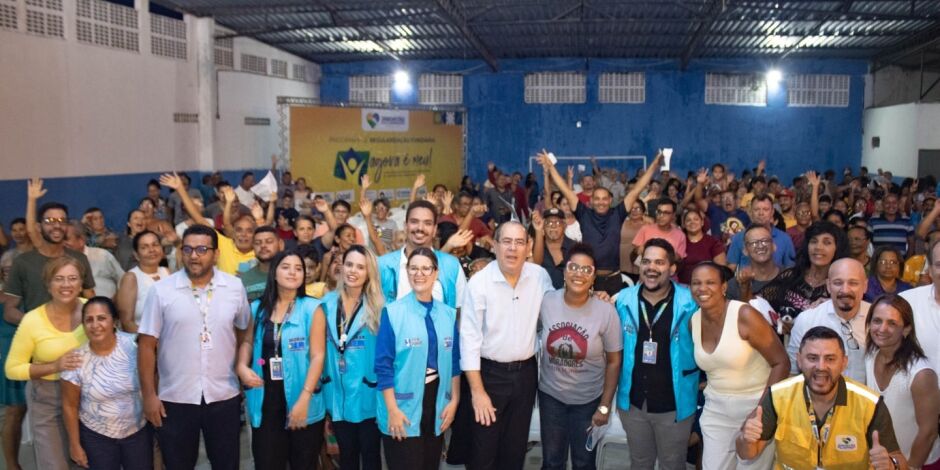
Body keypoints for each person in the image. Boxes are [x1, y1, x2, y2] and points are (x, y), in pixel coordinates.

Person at [138, 224, 251, 470]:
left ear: (216, 254)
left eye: (202, 249)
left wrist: (242, 366)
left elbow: (244, 330)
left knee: (227, 464)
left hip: (224, 395)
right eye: (187, 249)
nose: (194, 256)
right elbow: (146, 346)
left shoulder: (234, 288)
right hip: (175, 399)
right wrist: (149, 395)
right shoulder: (161, 291)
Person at [736, 326, 906, 470]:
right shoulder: (777, 395)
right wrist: (746, 439)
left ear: (844, 363)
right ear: (799, 360)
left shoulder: (870, 404)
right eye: (812, 358)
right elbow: (747, 453)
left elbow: (900, 460)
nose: (821, 367)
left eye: (830, 359)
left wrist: (892, 464)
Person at [461, 221, 554, 469]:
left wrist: (592, 296)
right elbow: (468, 341)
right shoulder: (479, 284)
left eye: (519, 242)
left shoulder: (539, 277)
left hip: (525, 375)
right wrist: (477, 392)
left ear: (528, 247)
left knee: (515, 449)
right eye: (507, 241)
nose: (513, 249)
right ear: (495, 245)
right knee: (483, 450)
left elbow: (558, 309)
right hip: (489, 376)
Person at [690, 262, 789, 470]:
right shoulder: (694, 321)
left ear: (724, 287)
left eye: (710, 282)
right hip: (715, 411)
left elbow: (781, 362)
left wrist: (762, 411)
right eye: (696, 283)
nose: (702, 288)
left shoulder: (744, 315)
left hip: (756, 408)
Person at [613, 238, 700, 470]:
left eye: (660, 262)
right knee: (640, 462)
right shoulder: (622, 300)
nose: (652, 268)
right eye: (647, 261)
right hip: (633, 404)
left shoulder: (691, 302)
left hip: (675, 404)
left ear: (672, 268)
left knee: (672, 464)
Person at [236, 250, 327, 469]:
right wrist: (240, 366)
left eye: (298, 268)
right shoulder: (257, 308)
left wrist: (304, 399)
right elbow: (247, 342)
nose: (293, 272)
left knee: (303, 463)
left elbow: (318, 356)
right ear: (274, 273)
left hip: (301, 398)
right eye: (286, 267)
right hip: (265, 400)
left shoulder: (312, 308)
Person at [537, 243, 623, 470]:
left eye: (587, 270)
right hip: (551, 398)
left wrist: (604, 407)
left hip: (588, 401)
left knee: (584, 462)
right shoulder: (546, 302)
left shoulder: (606, 311)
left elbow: (614, 362)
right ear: (564, 271)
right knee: (552, 461)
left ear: (594, 277)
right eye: (574, 267)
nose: (579, 273)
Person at [375, 247, 461, 470]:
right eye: (413, 268)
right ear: (407, 272)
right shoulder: (393, 313)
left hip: (436, 406)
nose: (419, 274)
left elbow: (454, 360)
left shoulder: (448, 313)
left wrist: (454, 401)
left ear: (436, 273)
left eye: (425, 268)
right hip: (402, 405)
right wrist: (392, 410)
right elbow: (383, 366)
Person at [539, 149, 663, 295]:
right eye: (597, 199)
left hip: (614, 279)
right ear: (591, 201)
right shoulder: (584, 214)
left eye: (604, 199)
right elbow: (565, 189)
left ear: (610, 200)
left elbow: (637, 189)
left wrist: (655, 164)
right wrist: (551, 167)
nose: (601, 202)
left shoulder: (618, 213)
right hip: (590, 278)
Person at [4, 256, 89, 470]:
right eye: (58, 279)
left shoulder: (94, 311)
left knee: (88, 461)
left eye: (72, 278)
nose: (66, 284)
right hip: (48, 399)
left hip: (90, 398)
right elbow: (13, 369)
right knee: (55, 464)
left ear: (81, 283)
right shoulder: (32, 320)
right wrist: (54, 366)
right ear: (48, 284)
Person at [61, 297, 151, 470]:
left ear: (114, 321)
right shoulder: (75, 360)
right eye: (89, 320)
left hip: (137, 432)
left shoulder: (135, 346)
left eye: (101, 318)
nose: (95, 325)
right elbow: (69, 406)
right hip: (97, 437)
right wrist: (75, 445)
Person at [319, 245, 385, 470]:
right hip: (337, 394)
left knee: (371, 455)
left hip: (368, 394)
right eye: (349, 264)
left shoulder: (380, 308)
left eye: (360, 266)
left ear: (369, 273)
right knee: (346, 456)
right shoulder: (325, 304)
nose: (353, 271)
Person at [865, 294, 940, 469]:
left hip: (919, 463)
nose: (882, 328)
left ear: (906, 329)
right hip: (883, 462)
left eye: (892, 323)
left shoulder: (921, 374)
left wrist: (911, 467)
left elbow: (928, 432)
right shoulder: (870, 356)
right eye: (877, 321)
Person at [787, 258, 870, 383]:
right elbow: (793, 372)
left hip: (866, 399)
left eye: (853, 283)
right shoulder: (807, 320)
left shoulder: (877, 319)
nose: (845, 290)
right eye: (838, 283)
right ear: (828, 286)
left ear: (865, 286)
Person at [755, 221, 848, 332]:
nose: (818, 247)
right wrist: (777, 322)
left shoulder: (841, 286)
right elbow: (758, 302)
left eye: (827, 242)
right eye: (813, 241)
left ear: (837, 248)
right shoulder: (791, 276)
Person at [377, 200, 467, 309]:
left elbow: (461, 311)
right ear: (405, 227)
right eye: (414, 222)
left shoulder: (451, 265)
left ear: (434, 230)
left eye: (427, 223)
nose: (420, 228)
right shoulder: (383, 265)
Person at [115, 231, 169, 333]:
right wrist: (152, 341)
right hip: (144, 341)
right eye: (145, 247)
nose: (152, 250)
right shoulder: (131, 277)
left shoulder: (166, 272)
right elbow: (127, 323)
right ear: (136, 255)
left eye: (155, 245)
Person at [726, 194, 796, 271]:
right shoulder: (738, 238)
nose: (761, 213)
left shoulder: (784, 238)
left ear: (772, 212)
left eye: (765, 209)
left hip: (777, 282)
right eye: (756, 209)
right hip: (746, 282)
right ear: (750, 212)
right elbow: (731, 269)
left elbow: (790, 269)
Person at [64, 220, 124, 298]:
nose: (62, 243)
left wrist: (117, 301)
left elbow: (124, 279)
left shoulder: (102, 256)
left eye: (66, 238)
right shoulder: (58, 262)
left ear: (81, 240)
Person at [726, 225, 780, 302]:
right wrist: (745, 288)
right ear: (745, 251)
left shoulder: (791, 277)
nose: (760, 246)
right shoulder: (733, 286)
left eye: (765, 241)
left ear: (774, 246)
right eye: (753, 243)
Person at [677, 209, 724, 284]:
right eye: (688, 220)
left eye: (696, 219)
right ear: (684, 225)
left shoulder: (713, 242)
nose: (692, 222)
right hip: (683, 288)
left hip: (707, 287)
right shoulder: (679, 242)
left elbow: (721, 269)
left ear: (702, 222)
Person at [532, 208, 576, 289]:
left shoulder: (575, 247)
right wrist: (538, 231)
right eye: (549, 223)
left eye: (558, 222)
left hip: (568, 297)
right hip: (543, 297)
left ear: (564, 226)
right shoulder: (537, 246)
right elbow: (536, 266)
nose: (553, 226)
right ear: (544, 226)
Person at [239, 226, 285, 302]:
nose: (263, 246)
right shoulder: (244, 280)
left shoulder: (291, 274)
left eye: (269, 241)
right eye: (257, 243)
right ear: (253, 247)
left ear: (280, 244)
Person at [870, 193, 915, 257]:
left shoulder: (907, 221)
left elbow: (911, 244)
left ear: (898, 204)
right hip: (879, 262)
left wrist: (907, 262)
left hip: (900, 262)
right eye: (887, 203)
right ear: (883, 205)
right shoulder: (873, 220)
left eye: (894, 203)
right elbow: (867, 242)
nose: (891, 205)